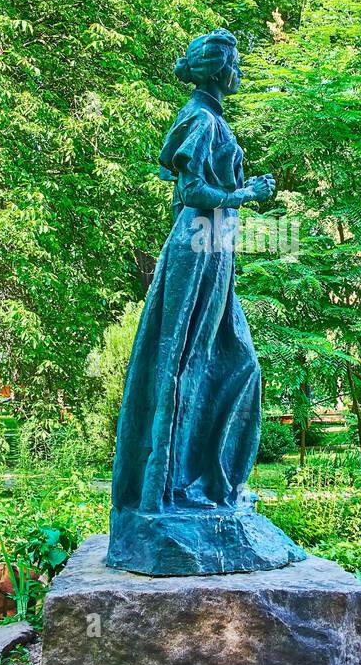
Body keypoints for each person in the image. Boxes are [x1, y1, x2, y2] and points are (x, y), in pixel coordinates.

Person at [108, 29, 303, 576]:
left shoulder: (210, 118)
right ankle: (166, 493)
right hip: (197, 246)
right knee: (185, 365)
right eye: (237, 64)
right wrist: (246, 194)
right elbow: (193, 193)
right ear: (220, 71)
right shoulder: (203, 120)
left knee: (232, 363)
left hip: (213, 248)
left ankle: (206, 483)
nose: (241, 72)